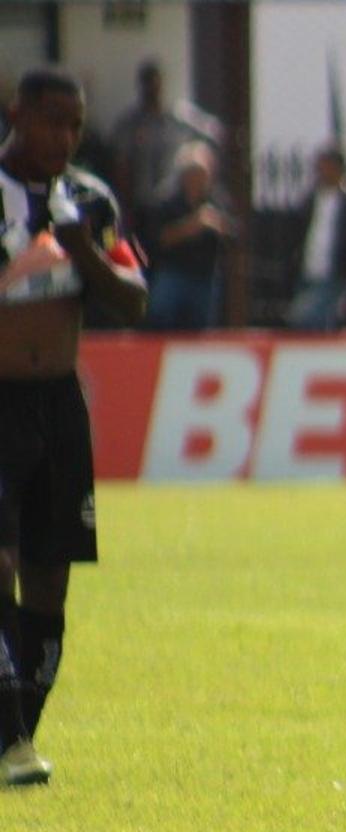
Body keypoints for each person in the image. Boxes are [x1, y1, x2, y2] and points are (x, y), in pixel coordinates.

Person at [0, 68, 147, 785]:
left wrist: (82, 249)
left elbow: (133, 300)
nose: (64, 139)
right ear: (15, 112)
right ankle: (11, 741)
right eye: (51, 122)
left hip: (59, 406)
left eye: (76, 127)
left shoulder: (90, 200)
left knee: (48, 583)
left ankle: (20, 728)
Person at [106, 60, 222, 230]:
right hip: (143, 203)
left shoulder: (178, 119)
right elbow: (120, 165)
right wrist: (125, 205)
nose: (153, 91)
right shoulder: (130, 124)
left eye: (156, 85)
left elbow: (214, 133)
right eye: (148, 85)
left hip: (173, 202)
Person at [142, 141, 234, 331]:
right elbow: (157, 239)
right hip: (173, 271)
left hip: (205, 275)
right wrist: (190, 227)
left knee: (202, 324)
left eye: (203, 175)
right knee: (160, 314)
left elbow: (233, 234)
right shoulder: (166, 201)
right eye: (193, 174)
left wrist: (217, 224)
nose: (198, 180)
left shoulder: (218, 201)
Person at [285, 143, 346, 332]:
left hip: (335, 275)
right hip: (308, 271)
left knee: (307, 317)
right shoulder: (310, 200)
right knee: (311, 324)